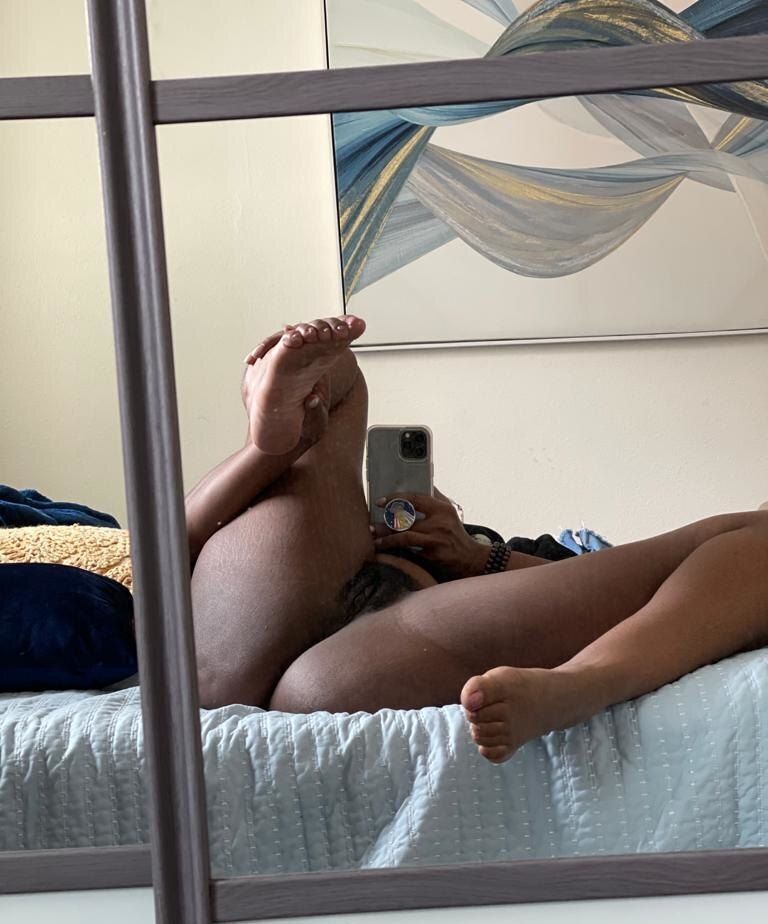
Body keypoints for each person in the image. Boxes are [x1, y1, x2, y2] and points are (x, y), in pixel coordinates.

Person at [187, 315, 768, 764]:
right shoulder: (662, 573)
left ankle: (582, 684)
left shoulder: (667, 585)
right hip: (314, 601)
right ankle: (270, 442)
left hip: (368, 636)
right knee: (338, 371)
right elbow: (176, 546)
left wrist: (478, 557)